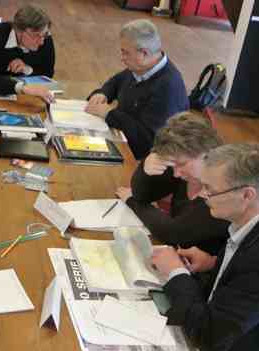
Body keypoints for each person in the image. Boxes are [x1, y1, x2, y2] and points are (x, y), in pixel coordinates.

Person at [152, 143, 259, 351]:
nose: (202, 195)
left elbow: (207, 334)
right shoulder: (243, 225)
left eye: (210, 189)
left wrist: (176, 272)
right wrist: (213, 263)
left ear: (247, 195)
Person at [116, 113, 228, 255]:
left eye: (181, 164)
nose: (176, 174)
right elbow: (143, 195)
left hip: (205, 272)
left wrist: (131, 201)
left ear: (207, 153)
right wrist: (146, 170)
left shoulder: (224, 188)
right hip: (179, 257)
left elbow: (172, 232)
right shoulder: (183, 168)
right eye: (173, 164)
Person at [86, 19, 188, 160]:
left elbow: (148, 140)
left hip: (141, 159)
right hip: (121, 138)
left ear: (144, 53)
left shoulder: (168, 88)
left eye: (125, 53)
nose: (122, 58)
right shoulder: (142, 67)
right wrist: (103, 93)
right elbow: (116, 81)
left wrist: (110, 114)